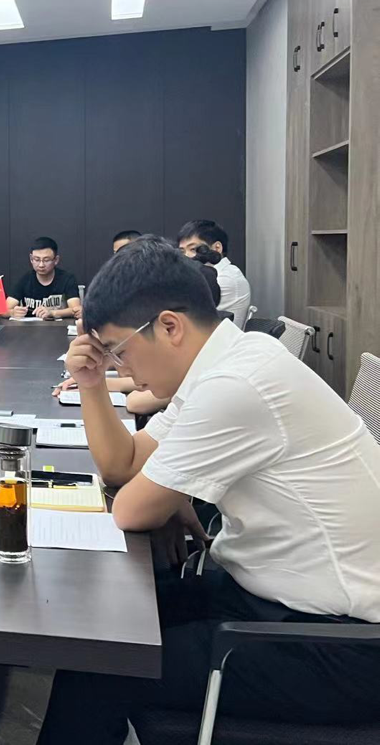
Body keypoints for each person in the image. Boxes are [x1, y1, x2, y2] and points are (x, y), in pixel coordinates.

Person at [38, 238, 380, 744]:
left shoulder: (236, 383)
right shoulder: (223, 364)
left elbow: (130, 509)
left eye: (119, 351)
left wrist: (169, 494)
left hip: (339, 643)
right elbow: (122, 464)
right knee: (99, 628)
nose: (121, 369)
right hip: (272, 600)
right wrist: (89, 384)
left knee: (103, 661)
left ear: (169, 327)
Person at [177, 219, 251, 324]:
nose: (186, 256)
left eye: (193, 249)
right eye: (182, 252)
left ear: (217, 248)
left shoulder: (224, 278)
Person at [5, 237, 81, 320]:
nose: (41, 265)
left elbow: (76, 310)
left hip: (59, 326)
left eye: (46, 260)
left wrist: (52, 313)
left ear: (56, 260)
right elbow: (2, 311)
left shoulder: (67, 279)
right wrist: (12, 312)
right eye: (37, 260)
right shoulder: (24, 280)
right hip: (30, 326)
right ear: (31, 259)